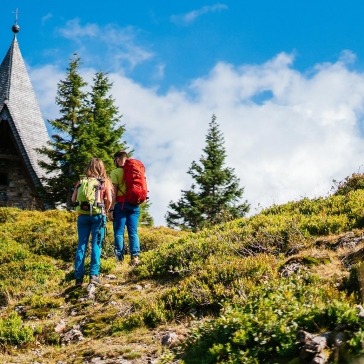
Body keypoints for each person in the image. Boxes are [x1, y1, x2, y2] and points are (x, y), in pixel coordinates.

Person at [71, 158, 113, 286]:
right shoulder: (104, 182)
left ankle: (78, 278)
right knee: (96, 245)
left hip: (82, 217)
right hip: (98, 216)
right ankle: (93, 275)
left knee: (81, 245)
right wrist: (105, 210)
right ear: (101, 168)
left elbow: (73, 199)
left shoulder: (81, 181)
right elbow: (110, 200)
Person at [108, 150, 141, 265]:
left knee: (119, 232)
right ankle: (135, 257)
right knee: (133, 232)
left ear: (117, 160)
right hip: (134, 205)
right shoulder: (134, 171)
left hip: (121, 205)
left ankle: (119, 259)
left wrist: (111, 208)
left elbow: (114, 193)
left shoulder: (115, 172)